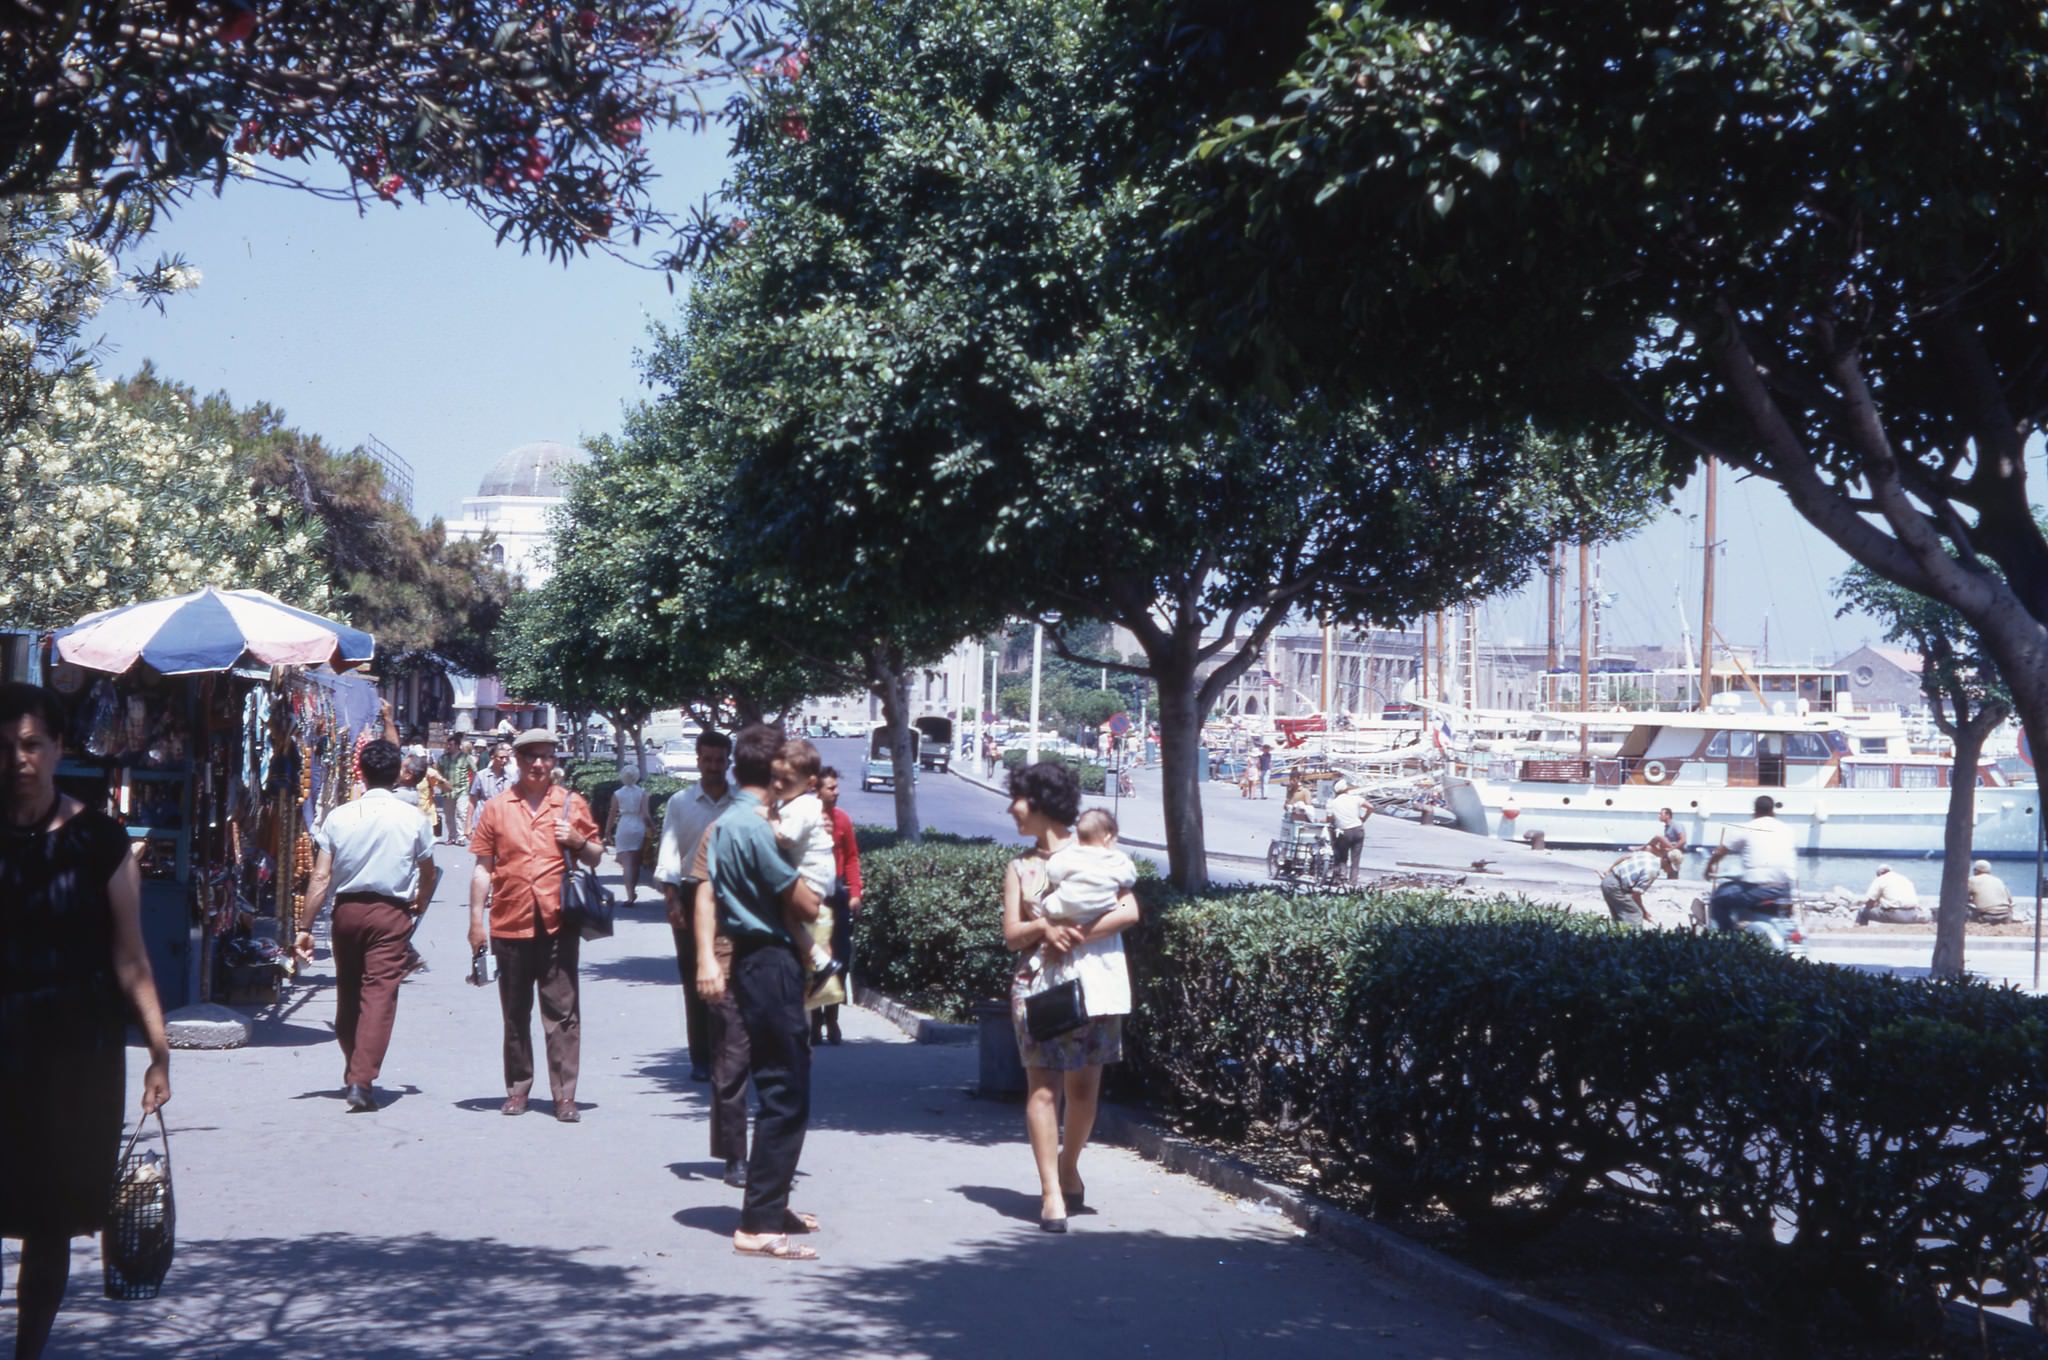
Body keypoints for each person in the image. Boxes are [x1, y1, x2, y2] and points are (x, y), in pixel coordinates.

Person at [1, 683, 171, 1360]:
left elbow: (130, 954)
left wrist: (159, 1048)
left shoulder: (101, 840)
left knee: (50, 1218)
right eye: (4, 747)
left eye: (32, 744)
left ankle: (28, 1351)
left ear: (58, 748)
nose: (18, 760)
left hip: (76, 1054)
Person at [692, 724, 825, 1260]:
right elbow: (808, 903)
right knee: (785, 1091)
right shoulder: (753, 828)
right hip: (769, 960)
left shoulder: (728, 824)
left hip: (752, 959)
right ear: (774, 772)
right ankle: (759, 1222)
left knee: (780, 1083)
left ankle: (772, 1204)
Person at [1002, 761, 1140, 1234]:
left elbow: (1129, 910)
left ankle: (1070, 1164)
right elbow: (1012, 935)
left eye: (1017, 799)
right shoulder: (1020, 867)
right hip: (1040, 987)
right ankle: (1050, 1193)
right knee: (1043, 1088)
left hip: (1097, 982)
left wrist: (1076, 933)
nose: (1011, 809)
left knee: (1084, 1090)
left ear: (1039, 802)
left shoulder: (1098, 852)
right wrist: (1043, 927)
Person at [466, 728, 602, 1121]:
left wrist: (577, 840)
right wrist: (476, 923)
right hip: (509, 921)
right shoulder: (496, 808)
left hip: (559, 921)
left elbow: (595, 855)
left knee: (563, 1012)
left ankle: (564, 1096)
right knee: (514, 1012)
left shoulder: (571, 804)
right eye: (531, 757)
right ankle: (518, 1089)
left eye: (546, 757)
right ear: (518, 761)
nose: (538, 764)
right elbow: (482, 869)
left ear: (554, 762)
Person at [295, 738, 437, 1112]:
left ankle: (355, 1067)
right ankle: (361, 1079)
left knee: (349, 991)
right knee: (379, 995)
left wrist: (304, 927)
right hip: (391, 913)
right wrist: (419, 904)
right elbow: (428, 872)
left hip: (346, 913)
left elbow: (321, 878)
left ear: (361, 772)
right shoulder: (414, 819)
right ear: (397, 775)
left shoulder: (339, 817)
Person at [654, 730, 734, 1090]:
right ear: (698, 760)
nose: (714, 767)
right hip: (688, 895)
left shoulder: (741, 804)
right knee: (696, 978)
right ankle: (701, 1057)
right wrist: (671, 901)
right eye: (708, 760)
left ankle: (727, 1053)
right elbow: (669, 856)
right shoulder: (680, 802)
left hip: (732, 899)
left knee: (731, 978)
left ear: (728, 762)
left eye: (720, 760)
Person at [766, 738, 842, 1015]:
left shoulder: (803, 807)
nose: (777, 786)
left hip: (813, 874)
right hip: (816, 872)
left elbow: (785, 839)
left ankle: (820, 961)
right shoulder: (798, 804)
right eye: (774, 778)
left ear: (810, 783)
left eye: (785, 780)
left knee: (789, 917)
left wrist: (770, 820)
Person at [814, 766, 863, 1046]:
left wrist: (855, 892)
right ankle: (813, 1021)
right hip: (811, 896)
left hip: (837, 896)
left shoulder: (843, 820)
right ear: (816, 790)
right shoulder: (806, 818)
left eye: (836, 787)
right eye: (830, 788)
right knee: (812, 958)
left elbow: (853, 858)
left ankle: (831, 1017)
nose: (836, 792)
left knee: (839, 958)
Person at [1703, 795, 1797, 930]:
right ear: (1773, 811)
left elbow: (1720, 851)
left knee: (1719, 897)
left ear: (1755, 811)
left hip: (1758, 890)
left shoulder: (1747, 828)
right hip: (1785, 889)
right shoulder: (1788, 830)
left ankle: (1725, 938)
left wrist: (1708, 867)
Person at [1039, 809, 1137, 929]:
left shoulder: (1067, 855)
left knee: (1048, 903)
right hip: (1101, 911)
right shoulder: (1117, 859)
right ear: (1107, 837)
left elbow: (1053, 873)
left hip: (1064, 908)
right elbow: (1130, 878)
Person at [1598, 836, 1677, 927]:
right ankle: (1634, 938)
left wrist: (1609, 871)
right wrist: (1644, 912)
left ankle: (1617, 937)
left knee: (1619, 917)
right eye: (1672, 867)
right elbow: (1636, 895)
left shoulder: (1648, 855)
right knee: (1635, 914)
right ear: (1665, 860)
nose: (1672, 871)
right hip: (1616, 887)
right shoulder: (1652, 871)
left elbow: (1625, 857)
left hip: (1608, 881)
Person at [606, 765, 650, 906]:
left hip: (624, 825)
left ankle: (630, 894)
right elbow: (645, 814)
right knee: (635, 862)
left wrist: (607, 830)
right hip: (639, 825)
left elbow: (612, 813)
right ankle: (633, 890)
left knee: (627, 864)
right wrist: (653, 828)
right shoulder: (643, 793)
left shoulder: (617, 794)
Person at [1326, 780, 1372, 885]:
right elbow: (1371, 807)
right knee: (1355, 859)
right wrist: (1364, 818)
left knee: (1342, 857)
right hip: (1358, 829)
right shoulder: (1355, 799)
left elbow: (1329, 819)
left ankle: (1341, 878)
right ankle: (1353, 882)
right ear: (1346, 789)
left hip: (1344, 831)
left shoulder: (1332, 802)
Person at [467, 741, 515, 838]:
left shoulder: (511, 778)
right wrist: (468, 825)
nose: (504, 760)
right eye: (501, 758)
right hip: (483, 822)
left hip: (503, 823)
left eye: (507, 758)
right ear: (493, 758)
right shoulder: (481, 776)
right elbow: (472, 801)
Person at [437, 733, 475, 847]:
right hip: (448, 790)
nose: (448, 747)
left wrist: (471, 786)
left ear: (458, 745)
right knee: (448, 815)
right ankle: (451, 836)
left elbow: (474, 771)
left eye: (451, 744)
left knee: (461, 813)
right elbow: (438, 772)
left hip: (462, 789)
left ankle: (461, 837)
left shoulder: (466, 758)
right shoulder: (443, 758)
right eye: (447, 744)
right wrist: (442, 783)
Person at [1858, 863, 1928, 925]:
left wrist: (1867, 906)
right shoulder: (1904, 878)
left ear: (1879, 873)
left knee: (1863, 911)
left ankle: (1862, 930)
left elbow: (1870, 903)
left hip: (1895, 915)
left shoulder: (1880, 879)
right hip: (1913, 914)